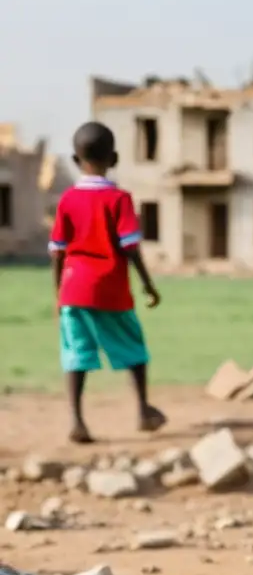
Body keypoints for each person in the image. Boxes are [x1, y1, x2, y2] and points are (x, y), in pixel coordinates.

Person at [48, 121, 165, 444]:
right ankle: (143, 410)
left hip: (73, 289)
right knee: (133, 347)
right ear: (114, 159)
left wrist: (59, 294)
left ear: (75, 160)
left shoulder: (67, 200)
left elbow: (57, 252)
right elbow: (131, 248)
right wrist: (148, 285)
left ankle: (77, 420)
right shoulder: (119, 199)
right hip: (111, 289)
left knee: (75, 353)